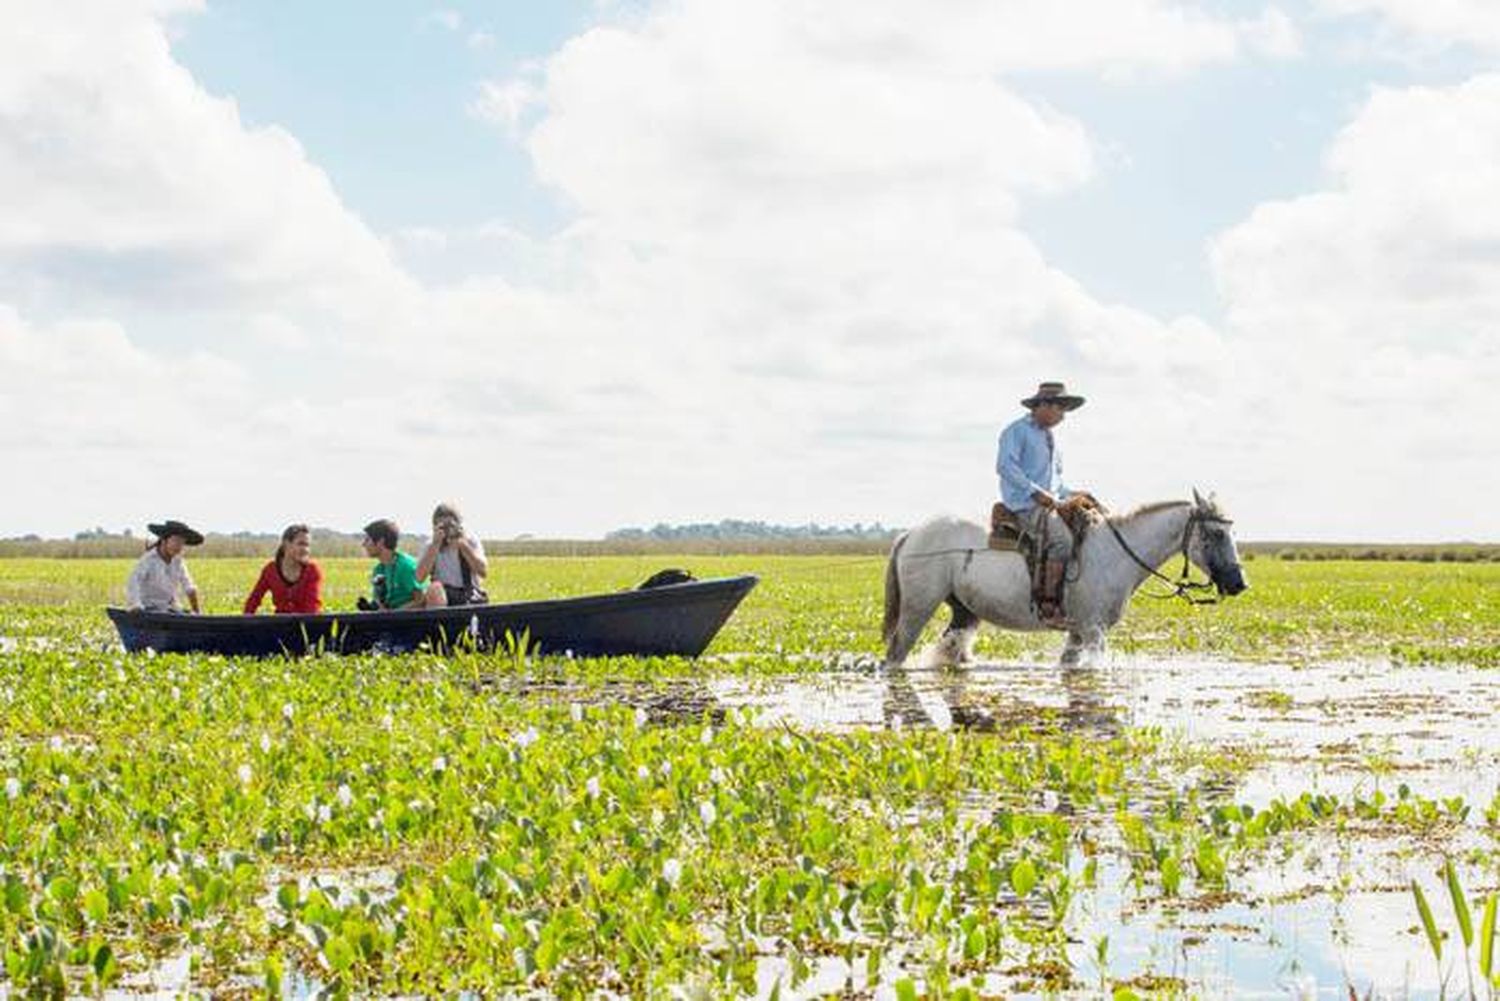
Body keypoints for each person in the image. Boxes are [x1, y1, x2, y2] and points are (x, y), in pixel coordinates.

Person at [995, 382, 1096, 626]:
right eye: (1061, 409)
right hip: (1024, 504)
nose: (1063, 416)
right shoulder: (1016, 431)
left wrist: (1076, 493)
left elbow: (1056, 487)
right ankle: (1049, 607)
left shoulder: (1052, 441)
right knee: (1062, 541)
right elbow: (1005, 467)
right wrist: (1035, 492)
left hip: (1047, 503)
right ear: (1044, 406)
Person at [359, 518, 445, 611]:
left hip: (409, 619)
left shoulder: (404, 566)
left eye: (367, 540)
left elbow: (420, 599)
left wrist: (393, 614)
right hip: (392, 618)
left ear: (381, 542)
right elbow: (380, 601)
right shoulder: (378, 570)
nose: (363, 544)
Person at [415, 502, 489, 606]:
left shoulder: (470, 541)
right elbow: (419, 577)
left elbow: (483, 572)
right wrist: (435, 546)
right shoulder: (430, 545)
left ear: (459, 526)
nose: (447, 531)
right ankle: (437, 619)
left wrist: (463, 546)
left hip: (469, 594)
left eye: (451, 526)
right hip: (442, 595)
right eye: (443, 527)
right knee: (434, 588)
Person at [243, 524, 323, 614]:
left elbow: (312, 607)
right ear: (286, 544)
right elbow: (254, 599)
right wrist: (244, 624)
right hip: (280, 623)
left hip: (304, 623)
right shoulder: (270, 570)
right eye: (301, 544)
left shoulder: (312, 571)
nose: (305, 550)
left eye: (307, 545)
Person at [126, 520, 204, 613]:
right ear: (164, 540)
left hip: (170, 608)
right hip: (148, 608)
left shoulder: (178, 561)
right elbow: (133, 582)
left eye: (182, 543)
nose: (179, 547)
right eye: (176, 541)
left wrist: (197, 612)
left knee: (183, 613)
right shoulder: (148, 560)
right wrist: (136, 605)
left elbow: (189, 587)